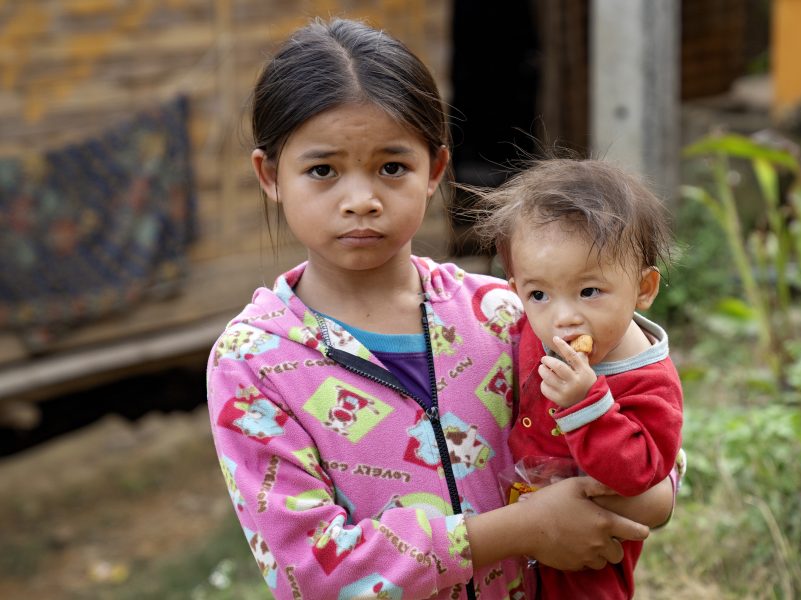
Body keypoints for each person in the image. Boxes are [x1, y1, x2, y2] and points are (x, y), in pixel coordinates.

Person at [206, 18, 673, 600]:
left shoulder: (502, 314)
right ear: (270, 176)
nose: (361, 201)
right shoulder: (253, 363)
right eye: (323, 170)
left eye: (392, 167)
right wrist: (522, 529)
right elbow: (311, 572)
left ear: (434, 171)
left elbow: (642, 425)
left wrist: (655, 490)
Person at [473, 158, 685, 599]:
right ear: (516, 289)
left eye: (589, 292)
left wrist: (586, 403)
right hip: (510, 549)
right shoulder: (534, 325)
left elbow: (643, 473)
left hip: (587, 559)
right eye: (539, 294)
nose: (564, 318)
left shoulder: (648, 381)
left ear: (644, 288)